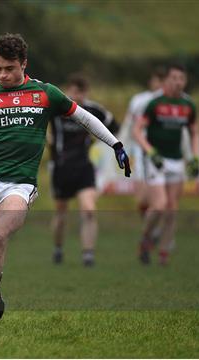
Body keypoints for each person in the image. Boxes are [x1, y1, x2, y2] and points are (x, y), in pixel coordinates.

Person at [0, 33, 131, 329]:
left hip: (19, 186)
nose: (3, 74)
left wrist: (116, 144)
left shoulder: (46, 94)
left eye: (9, 68)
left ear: (23, 64)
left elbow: (84, 118)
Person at [133, 63, 199, 265]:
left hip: (176, 160)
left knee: (172, 209)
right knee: (160, 206)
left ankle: (163, 252)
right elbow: (137, 131)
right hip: (156, 160)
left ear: (185, 81)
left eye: (181, 78)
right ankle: (146, 238)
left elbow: (195, 133)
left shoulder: (188, 105)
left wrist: (195, 157)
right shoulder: (155, 103)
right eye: (174, 78)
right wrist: (150, 151)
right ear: (167, 80)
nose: (178, 82)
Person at [49, 74, 119, 267]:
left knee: (88, 209)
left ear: (86, 93)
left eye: (80, 91)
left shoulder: (93, 110)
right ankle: (58, 248)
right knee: (61, 214)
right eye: (73, 90)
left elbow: (114, 126)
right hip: (61, 168)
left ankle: (88, 254)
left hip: (84, 167)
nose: (76, 95)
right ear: (68, 90)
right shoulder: (56, 109)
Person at [118, 68, 165, 215]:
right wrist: (119, 143)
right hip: (142, 148)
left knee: (160, 192)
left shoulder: (169, 100)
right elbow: (128, 124)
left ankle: (155, 226)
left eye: (157, 80)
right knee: (142, 191)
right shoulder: (139, 100)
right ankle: (149, 222)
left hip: (162, 147)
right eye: (153, 80)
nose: (153, 83)